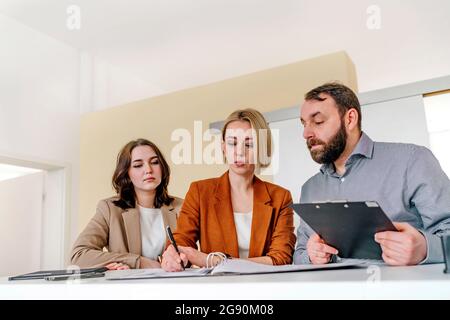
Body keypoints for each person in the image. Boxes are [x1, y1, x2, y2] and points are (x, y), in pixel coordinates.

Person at [294, 82, 450, 266]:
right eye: (304, 124)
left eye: (318, 121)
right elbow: (299, 254)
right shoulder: (310, 189)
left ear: (350, 119)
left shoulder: (412, 160)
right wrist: (311, 256)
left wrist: (425, 248)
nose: (306, 133)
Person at [161, 108, 296, 271]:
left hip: (263, 288)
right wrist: (173, 254)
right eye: (232, 143)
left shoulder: (280, 197)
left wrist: (211, 260)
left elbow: (281, 258)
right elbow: (181, 242)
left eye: (249, 144)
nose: (239, 152)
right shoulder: (200, 191)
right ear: (223, 147)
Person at [70, 139, 183, 269]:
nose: (148, 170)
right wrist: (138, 261)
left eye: (155, 162)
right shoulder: (109, 209)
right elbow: (78, 255)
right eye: (138, 165)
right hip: (129, 288)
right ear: (127, 173)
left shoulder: (181, 207)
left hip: (173, 286)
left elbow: (190, 254)